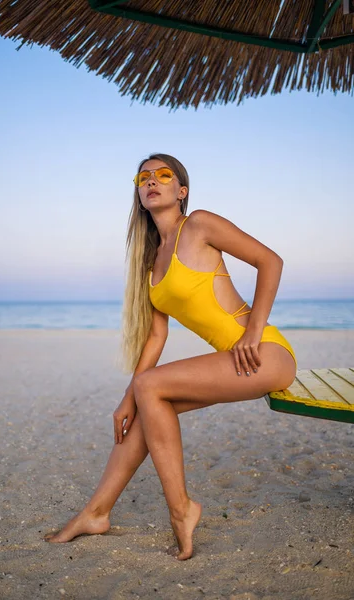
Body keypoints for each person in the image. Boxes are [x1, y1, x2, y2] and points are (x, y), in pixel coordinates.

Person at [44, 153, 297, 560]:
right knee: (145, 404)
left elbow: (271, 261)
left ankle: (181, 511)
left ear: (181, 191)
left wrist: (253, 330)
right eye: (143, 177)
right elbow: (156, 336)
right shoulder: (151, 261)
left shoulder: (199, 225)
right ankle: (96, 512)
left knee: (150, 386)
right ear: (138, 193)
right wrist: (127, 396)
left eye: (163, 175)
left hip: (266, 353)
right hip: (238, 362)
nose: (151, 181)